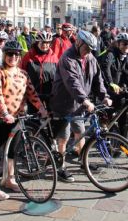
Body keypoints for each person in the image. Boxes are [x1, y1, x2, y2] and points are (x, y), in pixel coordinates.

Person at [0, 40, 48, 201]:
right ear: (5, 55)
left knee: (13, 150)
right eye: (10, 54)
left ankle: (9, 179)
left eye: (16, 54)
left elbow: (32, 93)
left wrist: (41, 108)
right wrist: (5, 113)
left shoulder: (23, 74)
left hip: (17, 117)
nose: (13, 57)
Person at [49, 30, 112, 182]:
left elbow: (98, 79)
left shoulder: (90, 58)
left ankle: (83, 162)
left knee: (81, 132)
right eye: (86, 48)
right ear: (78, 43)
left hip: (80, 104)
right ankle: (61, 167)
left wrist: (104, 96)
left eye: (91, 50)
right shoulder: (67, 58)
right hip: (64, 103)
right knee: (63, 137)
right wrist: (85, 100)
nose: (88, 52)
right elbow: (72, 82)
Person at [21, 31, 58, 104]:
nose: (45, 45)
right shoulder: (28, 56)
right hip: (33, 95)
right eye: (42, 42)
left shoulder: (54, 57)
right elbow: (21, 74)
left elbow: (58, 75)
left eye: (47, 43)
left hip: (49, 95)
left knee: (50, 114)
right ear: (37, 42)